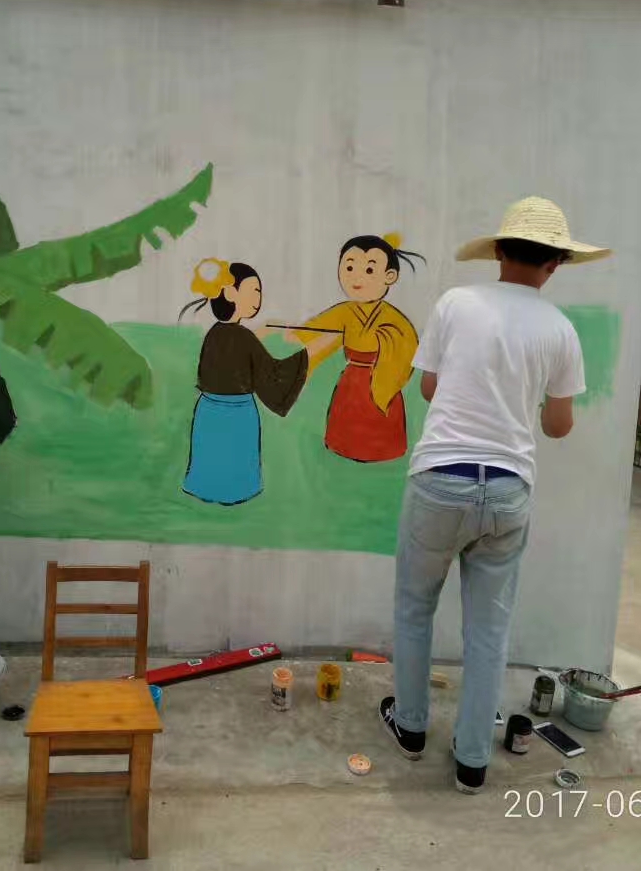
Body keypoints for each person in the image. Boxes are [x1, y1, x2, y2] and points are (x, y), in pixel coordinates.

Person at [377, 197, 610, 793]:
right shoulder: (560, 329)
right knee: (488, 632)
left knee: (414, 608)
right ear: (556, 264)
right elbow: (558, 426)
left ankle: (410, 730)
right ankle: (473, 761)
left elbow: (428, 388)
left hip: (439, 479)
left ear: (499, 251)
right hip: (508, 490)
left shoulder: (456, 303)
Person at [180, 258, 311, 505]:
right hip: (237, 413)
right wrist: (302, 356)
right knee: (234, 454)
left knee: (212, 455)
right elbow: (270, 372)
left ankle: (206, 489)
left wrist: (266, 332)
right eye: (254, 291)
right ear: (231, 293)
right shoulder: (242, 337)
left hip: (208, 411)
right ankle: (235, 492)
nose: (257, 299)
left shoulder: (215, 333)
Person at [286, 234, 422, 463]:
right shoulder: (345, 311)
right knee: (347, 426)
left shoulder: (395, 320)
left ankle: (381, 451)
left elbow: (407, 351)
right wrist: (293, 334)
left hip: (380, 381)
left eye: (369, 270)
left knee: (378, 431)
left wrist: (383, 342)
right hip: (352, 381)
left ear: (390, 276)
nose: (357, 278)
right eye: (349, 268)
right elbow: (316, 328)